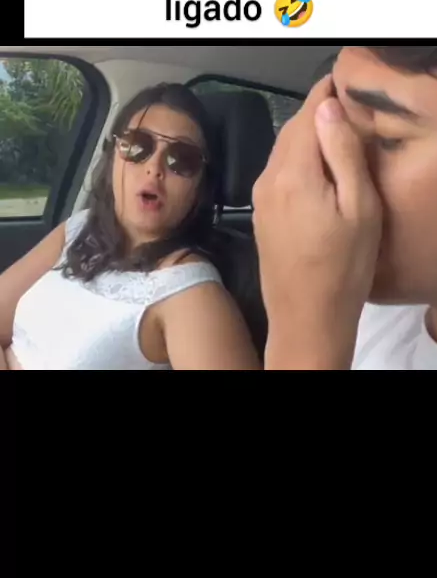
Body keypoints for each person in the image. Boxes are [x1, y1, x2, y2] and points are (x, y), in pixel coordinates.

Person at [0, 84, 260, 370]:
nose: (154, 168)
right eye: (137, 146)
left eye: (182, 159)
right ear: (113, 156)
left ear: (200, 186)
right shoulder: (79, 229)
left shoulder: (189, 292)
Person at [254, 46, 437, 370]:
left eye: (387, 138)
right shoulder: (356, 311)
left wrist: (303, 346)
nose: (322, 170)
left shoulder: (330, 320)